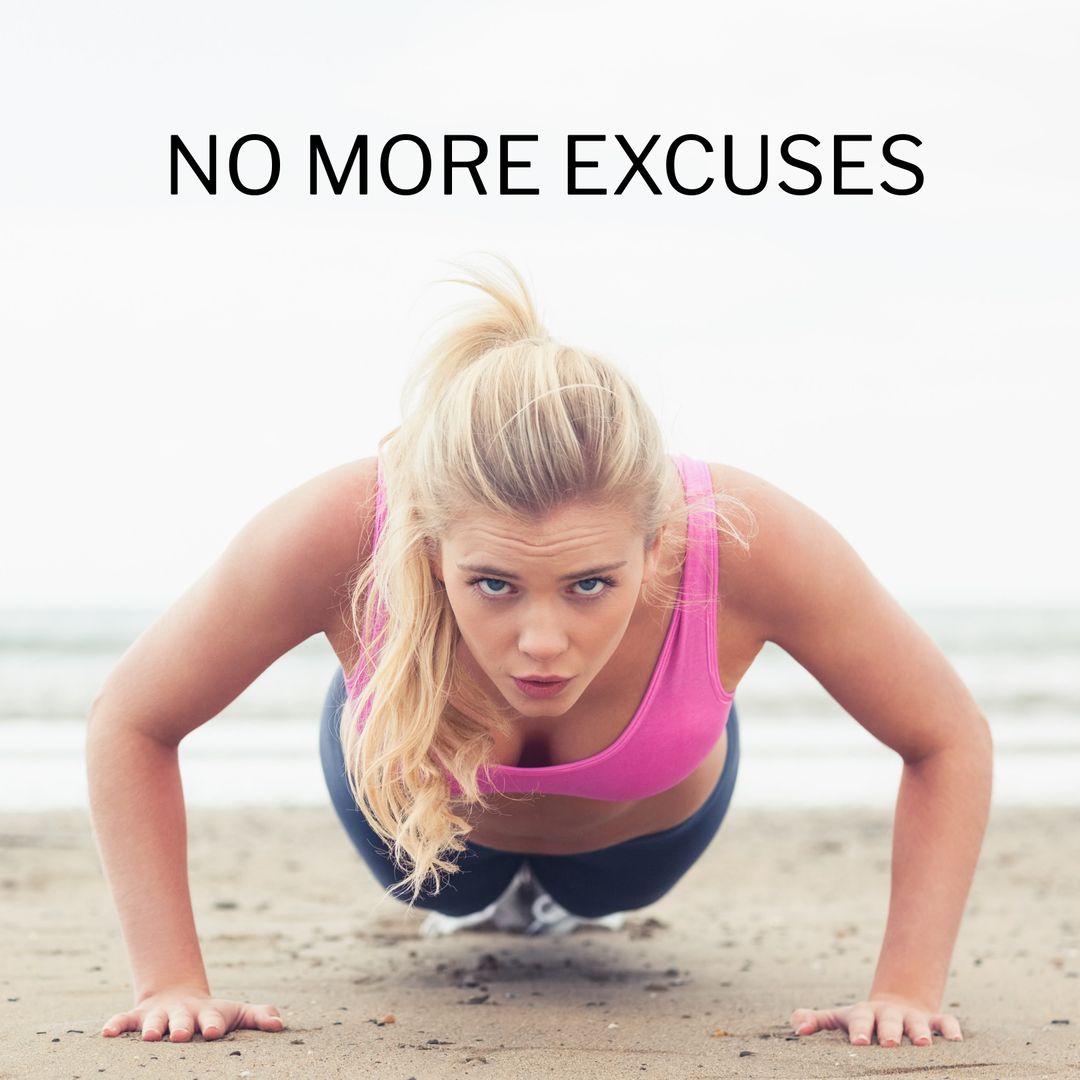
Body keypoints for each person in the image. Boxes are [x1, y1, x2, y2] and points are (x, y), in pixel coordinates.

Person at [88, 257, 991, 1050]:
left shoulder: (750, 540)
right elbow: (133, 717)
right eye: (493, 584)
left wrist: (906, 988)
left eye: (591, 584)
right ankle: (480, 893)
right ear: (429, 544)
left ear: (656, 546)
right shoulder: (337, 531)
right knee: (444, 897)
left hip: (635, 838)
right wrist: (171, 983)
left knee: (601, 902)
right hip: (422, 825)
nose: (544, 644)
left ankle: (561, 900)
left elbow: (946, 735)